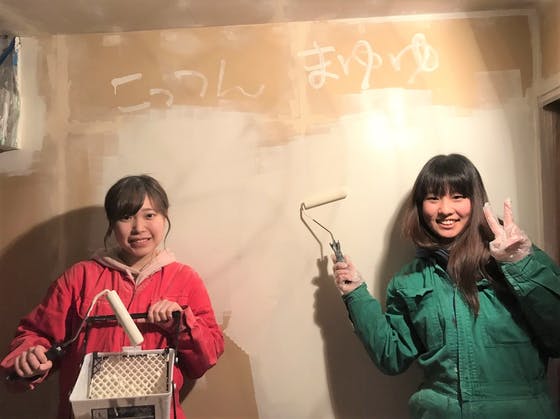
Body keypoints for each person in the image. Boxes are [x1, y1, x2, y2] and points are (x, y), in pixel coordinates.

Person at [332, 154, 560, 418]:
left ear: (475, 201)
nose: (444, 209)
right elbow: (391, 357)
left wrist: (520, 264)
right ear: (420, 206)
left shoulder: (512, 255)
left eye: (458, 196)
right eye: (433, 198)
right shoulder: (409, 281)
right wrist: (356, 294)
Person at [0, 174, 224, 419]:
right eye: (126, 217)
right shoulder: (80, 278)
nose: (138, 228)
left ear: (164, 216)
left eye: (149, 215)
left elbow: (206, 359)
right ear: (111, 223)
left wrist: (180, 324)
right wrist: (29, 359)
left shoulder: (184, 279)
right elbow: (35, 335)